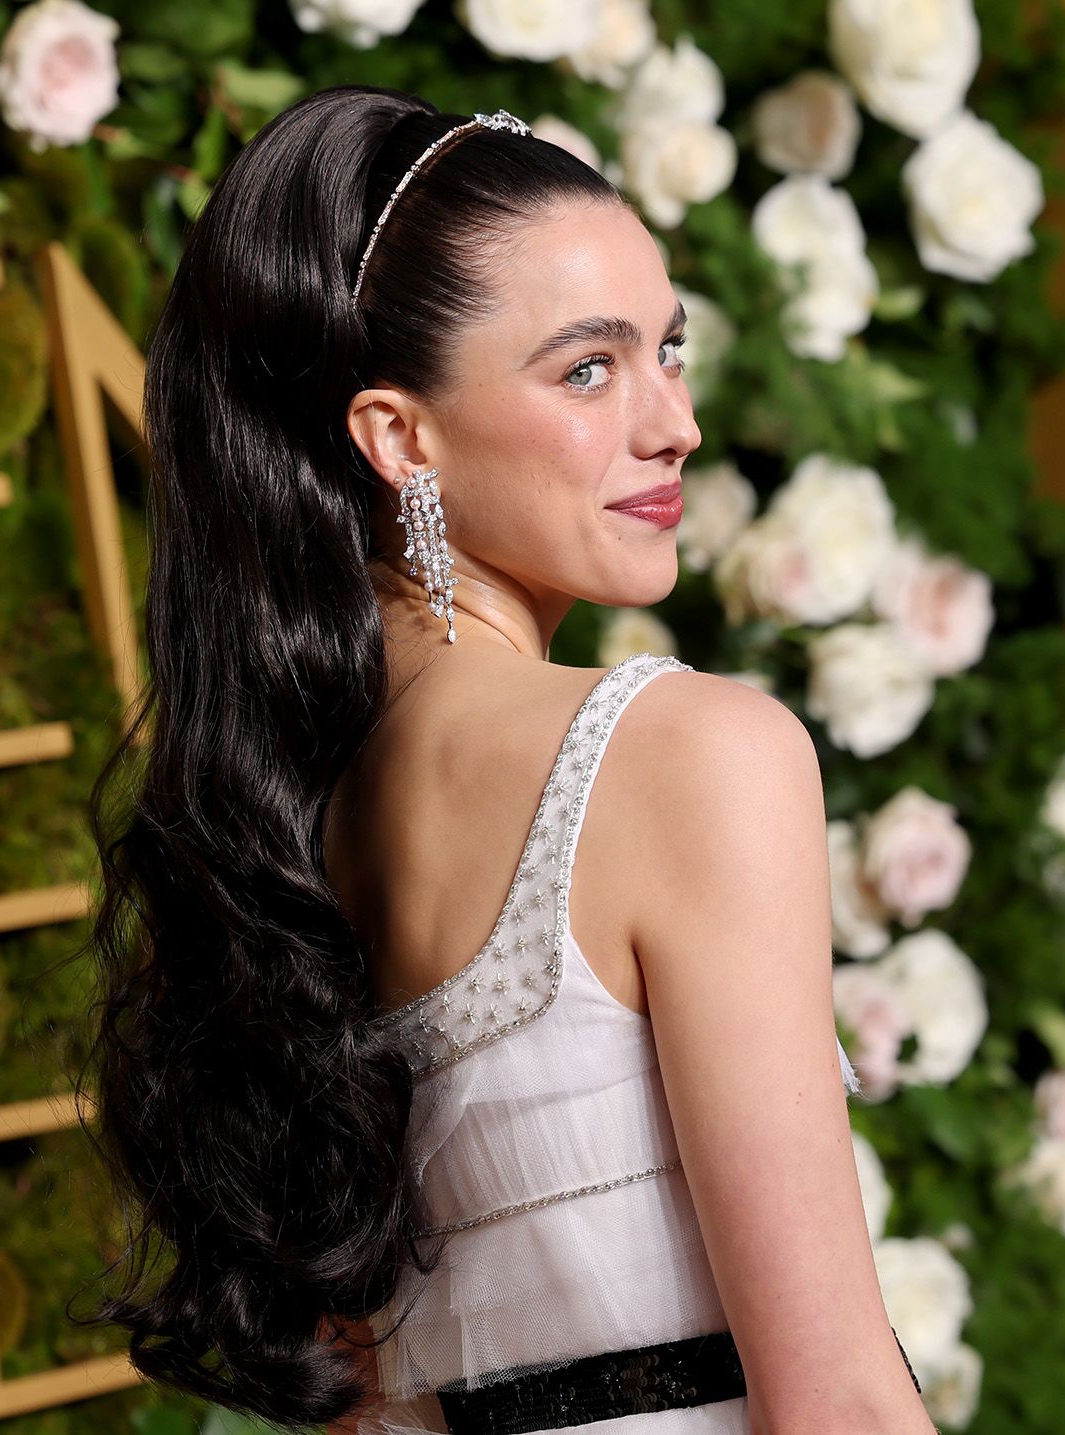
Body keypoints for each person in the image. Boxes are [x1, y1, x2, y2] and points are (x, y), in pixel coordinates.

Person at [79, 85, 934, 1435]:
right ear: (397, 437)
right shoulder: (691, 756)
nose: (672, 424)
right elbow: (835, 1403)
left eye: (670, 349)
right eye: (587, 370)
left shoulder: (283, 833)